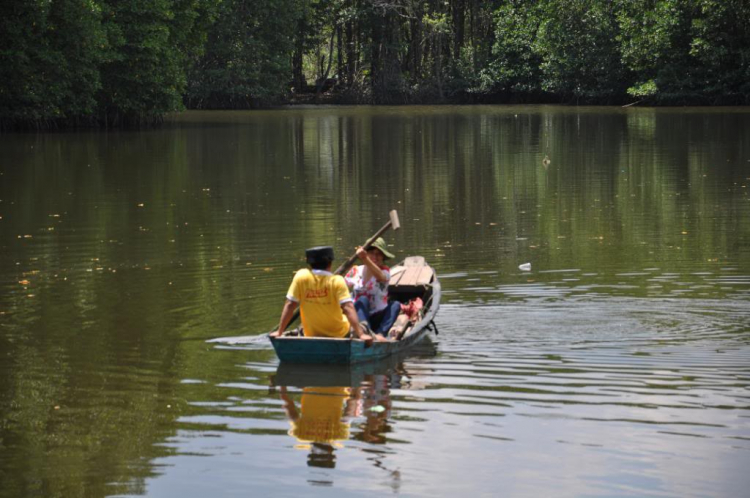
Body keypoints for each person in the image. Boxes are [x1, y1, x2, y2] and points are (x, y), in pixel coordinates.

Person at [270, 246, 376, 344]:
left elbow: (290, 304)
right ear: (330, 263)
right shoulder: (337, 281)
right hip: (340, 334)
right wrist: (361, 334)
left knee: (301, 327)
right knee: (364, 326)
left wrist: (279, 332)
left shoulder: (301, 277)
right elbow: (348, 307)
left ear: (309, 263)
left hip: (311, 334)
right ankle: (379, 337)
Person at [344, 237, 401, 338]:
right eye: (372, 253)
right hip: (358, 319)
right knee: (362, 300)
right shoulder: (356, 271)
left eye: (378, 254)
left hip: (377, 318)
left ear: (383, 257)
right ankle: (365, 331)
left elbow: (381, 277)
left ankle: (379, 335)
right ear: (367, 253)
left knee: (395, 305)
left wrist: (365, 258)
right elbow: (340, 286)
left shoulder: (385, 271)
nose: (375, 256)